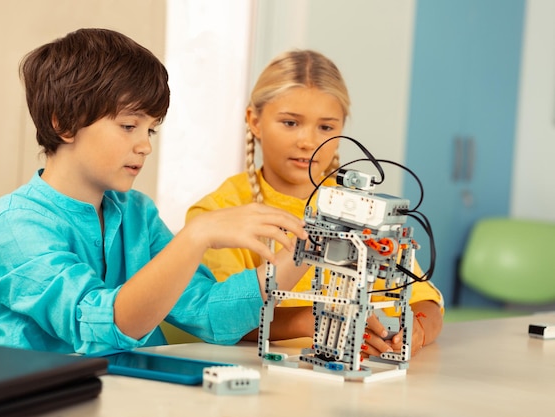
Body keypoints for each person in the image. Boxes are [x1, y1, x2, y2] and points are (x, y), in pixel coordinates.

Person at [0, 28, 310, 355]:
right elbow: (102, 328)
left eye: (151, 130)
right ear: (64, 123)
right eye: (129, 126)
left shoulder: (137, 214)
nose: (145, 146)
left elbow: (211, 315)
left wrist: (304, 250)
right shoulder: (17, 226)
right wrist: (196, 237)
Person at [186, 49, 444, 357]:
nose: (308, 141)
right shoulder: (219, 214)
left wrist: (415, 329)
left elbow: (425, 301)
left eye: (326, 127)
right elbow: (218, 316)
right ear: (254, 120)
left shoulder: (367, 212)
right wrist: (310, 319)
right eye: (291, 123)